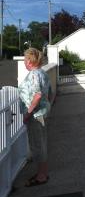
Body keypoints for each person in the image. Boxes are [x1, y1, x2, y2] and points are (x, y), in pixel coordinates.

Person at [19, 48, 51, 187]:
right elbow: (49, 93)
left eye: (25, 60)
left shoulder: (34, 74)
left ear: (30, 61)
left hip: (36, 115)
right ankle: (41, 173)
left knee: (37, 145)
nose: (24, 62)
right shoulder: (42, 73)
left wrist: (28, 113)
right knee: (41, 144)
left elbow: (37, 95)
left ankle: (42, 176)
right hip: (41, 113)